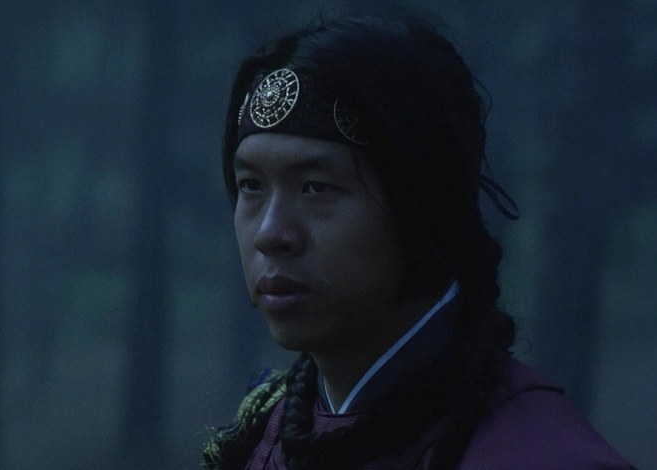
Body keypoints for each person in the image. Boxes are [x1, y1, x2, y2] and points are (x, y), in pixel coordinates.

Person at [201, 13, 635, 470]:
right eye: (251, 186)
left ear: (422, 204)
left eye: (316, 187)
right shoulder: (264, 436)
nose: (270, 234)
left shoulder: (543, 457)